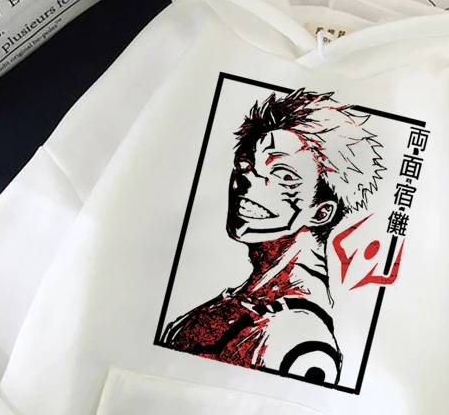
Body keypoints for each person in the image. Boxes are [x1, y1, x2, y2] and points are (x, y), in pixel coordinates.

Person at [160, 88, 385, 386]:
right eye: (244, 165)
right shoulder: (244, 300)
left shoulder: (300, 336)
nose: (246, 180)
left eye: (282, 174)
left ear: (321, 212)